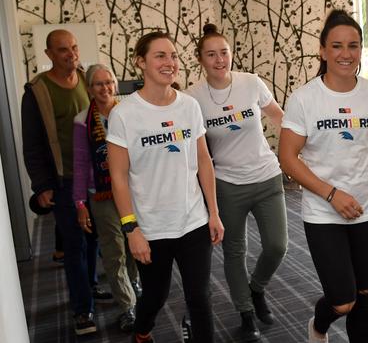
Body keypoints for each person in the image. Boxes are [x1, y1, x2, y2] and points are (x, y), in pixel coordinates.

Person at [279, 9, 368, 343]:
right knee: (343, 300)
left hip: (367, 208)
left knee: (363, 294)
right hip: (323, 212)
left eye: (353, 45)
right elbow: (288, 158)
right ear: (322, 51)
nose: (345, 54)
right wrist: (332, 194)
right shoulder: (305, 99)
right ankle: (318, 327)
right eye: (336, 46)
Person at [107, 31, 224, 343]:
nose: (170, 62)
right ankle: (142, 332)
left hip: (193, 221)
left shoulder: (189, 106)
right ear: (140, 62)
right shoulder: (124, 114)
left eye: (173, 55)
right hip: (151, 227)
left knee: (200, 298)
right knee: (156, 297)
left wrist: (213, 212)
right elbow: (118, 177)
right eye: (160, 56)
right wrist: (131, 229)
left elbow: (203, 161)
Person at [186, 23, 288, 342]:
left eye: (224, 53)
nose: (220, 60)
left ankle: (256, 289)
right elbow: (195, 149)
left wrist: (303, 145)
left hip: (266, 175)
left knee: (277, 246)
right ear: (201, 60)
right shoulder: (193, 98)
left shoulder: (251, 83)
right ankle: (246, 314)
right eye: (212, 55)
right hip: (227, 183)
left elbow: (277, 115)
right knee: (234, 251)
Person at [21, 29, 108, 335]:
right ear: (48, 55)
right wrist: (41, 185)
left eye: (73, 47)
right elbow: (31, 144)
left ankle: (90, 286)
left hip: (95, 175)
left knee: (94, 237)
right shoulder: (37, 91)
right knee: (74, 243)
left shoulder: (87, 79)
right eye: (62, 50)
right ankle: (82, 309)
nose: (71, 54)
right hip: (63, 179)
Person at [72, 63, 140, 332]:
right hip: (100, 194)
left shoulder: (130, 113)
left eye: (109, 82)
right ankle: (128, 307)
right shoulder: (81, 121)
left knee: (135, 242)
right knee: (114, 250)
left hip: (133, 190)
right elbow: (79, 164)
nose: (105, 88)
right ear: (89, 89)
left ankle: (133, 284)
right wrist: (79, 203)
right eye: (98, 84)